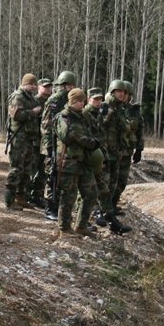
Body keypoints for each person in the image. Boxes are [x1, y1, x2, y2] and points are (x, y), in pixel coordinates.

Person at [84, 87, 131, 234]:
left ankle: (109, 217)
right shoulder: (87, 114)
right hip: (92, 157)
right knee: (94, 188)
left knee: (107, 187)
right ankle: (94, 215)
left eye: (99, 99)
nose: (97, 102)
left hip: (107, 153)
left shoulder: (102, 113)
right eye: (94, 99)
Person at [54, 88, 100, 238]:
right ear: (71, 101)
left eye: (82, 101)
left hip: (84, 161)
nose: (81, 103)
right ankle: (65, 228)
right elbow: (66, 136)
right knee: (68, 196)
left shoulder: (83, 117)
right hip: (69, 162)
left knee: (91, 193)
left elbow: (93, 132)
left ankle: (81, 225)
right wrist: (87, 142)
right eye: (78, 101)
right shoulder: (63, 117)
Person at [40, 71, 77, 221]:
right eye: (68, 85)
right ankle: (50, 208)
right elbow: (46, 125)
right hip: (52, 144)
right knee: (52, 175)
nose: (70, 88)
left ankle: (59, 207)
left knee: (60, 175)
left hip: (63, 145)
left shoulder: (69, 100)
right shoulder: (54, 100)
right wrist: (49, 146)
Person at [5, 73, 42, 210]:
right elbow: (17, 115)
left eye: (34, 84)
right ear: (24, 84)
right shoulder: (18, 97)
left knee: (27, 169)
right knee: (16, 168)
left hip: (29, 138)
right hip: (19, 138)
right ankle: (9, 200)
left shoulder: (31, 98)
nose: (33, 87)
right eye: (31, 84)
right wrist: (33, 112)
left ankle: (21, 197)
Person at [100, 79, 129, 217]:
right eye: (119, 91)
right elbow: (99, 126)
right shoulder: (105, 107)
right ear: (112, 92)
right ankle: (100, 211)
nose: (122, 94)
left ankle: (109, 210)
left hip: (116, 152)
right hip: (105, 152)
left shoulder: (120, 109)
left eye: (123, 92)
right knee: (104, 184)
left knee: (113, 184)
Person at [114, 80, 143, 213]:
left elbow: (139, 131)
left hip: (127, 151)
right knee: (110, 181)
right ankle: (104, 208)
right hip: (114, 151)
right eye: (121, 92)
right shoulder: (114, 109)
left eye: (126, 93)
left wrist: (139, 149)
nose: (123, 95)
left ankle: (113, 204)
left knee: (122, 181)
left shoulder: (134, 111)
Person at [29, 78, 53, 208]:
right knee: (33, 169)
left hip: (45, 142)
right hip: (35, 141)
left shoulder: (51, 101)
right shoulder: (34, 101)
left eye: (49, 86)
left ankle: (37, 195)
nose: (47, 88)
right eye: (45, 86)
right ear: (38, 87)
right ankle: (28, 195)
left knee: (43, 170)